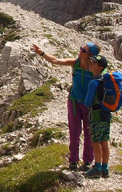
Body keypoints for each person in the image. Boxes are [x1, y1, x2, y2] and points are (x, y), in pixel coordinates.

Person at [30, 41, 100, 170]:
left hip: (89, 105)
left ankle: (88, 161)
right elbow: (56, 60)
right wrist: (42, 53)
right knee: (74, 132)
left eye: (83, 50)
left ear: (90, 55)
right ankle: (73, 160)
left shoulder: (95, 68)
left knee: (89, 133)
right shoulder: (75, 63)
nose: (80, 51)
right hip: (74, 103)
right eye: (81, 48)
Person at [83, 54, 112, 178]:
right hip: (106, 115)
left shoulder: (93, 83)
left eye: (94, 63)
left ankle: (97, 168)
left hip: (96, 116)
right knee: (104, 141)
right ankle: (105, 168)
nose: (91, 64)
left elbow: (88, 102)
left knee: (95, 142)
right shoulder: (105, 81)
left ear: (100, 67)